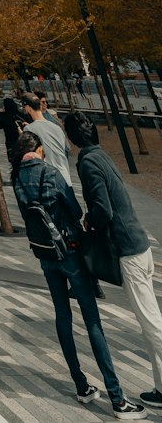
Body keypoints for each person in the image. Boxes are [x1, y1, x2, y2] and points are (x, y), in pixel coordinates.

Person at [12, 129, 143, 414]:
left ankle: (81, 385)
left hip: (44, 254)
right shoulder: (50, 173)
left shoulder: (16, 176)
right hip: (69, 252)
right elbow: (73, 210)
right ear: (40, 150)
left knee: (62, 317)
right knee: (92, 321)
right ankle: (117, 397)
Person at [65, 111, 162, 408]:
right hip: (139, 244)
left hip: (127, 251)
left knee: (153, 326)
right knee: (152, 324)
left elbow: (103, 210)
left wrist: (88, 223)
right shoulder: (101, 155)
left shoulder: (88, 162)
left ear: (70, 138)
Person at [21, 91, 71, 183]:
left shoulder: (29, 129)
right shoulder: (56, 127)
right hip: (65, 176)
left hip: (49, 179)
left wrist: (22, 137)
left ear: (28, 108)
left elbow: (32, 156)